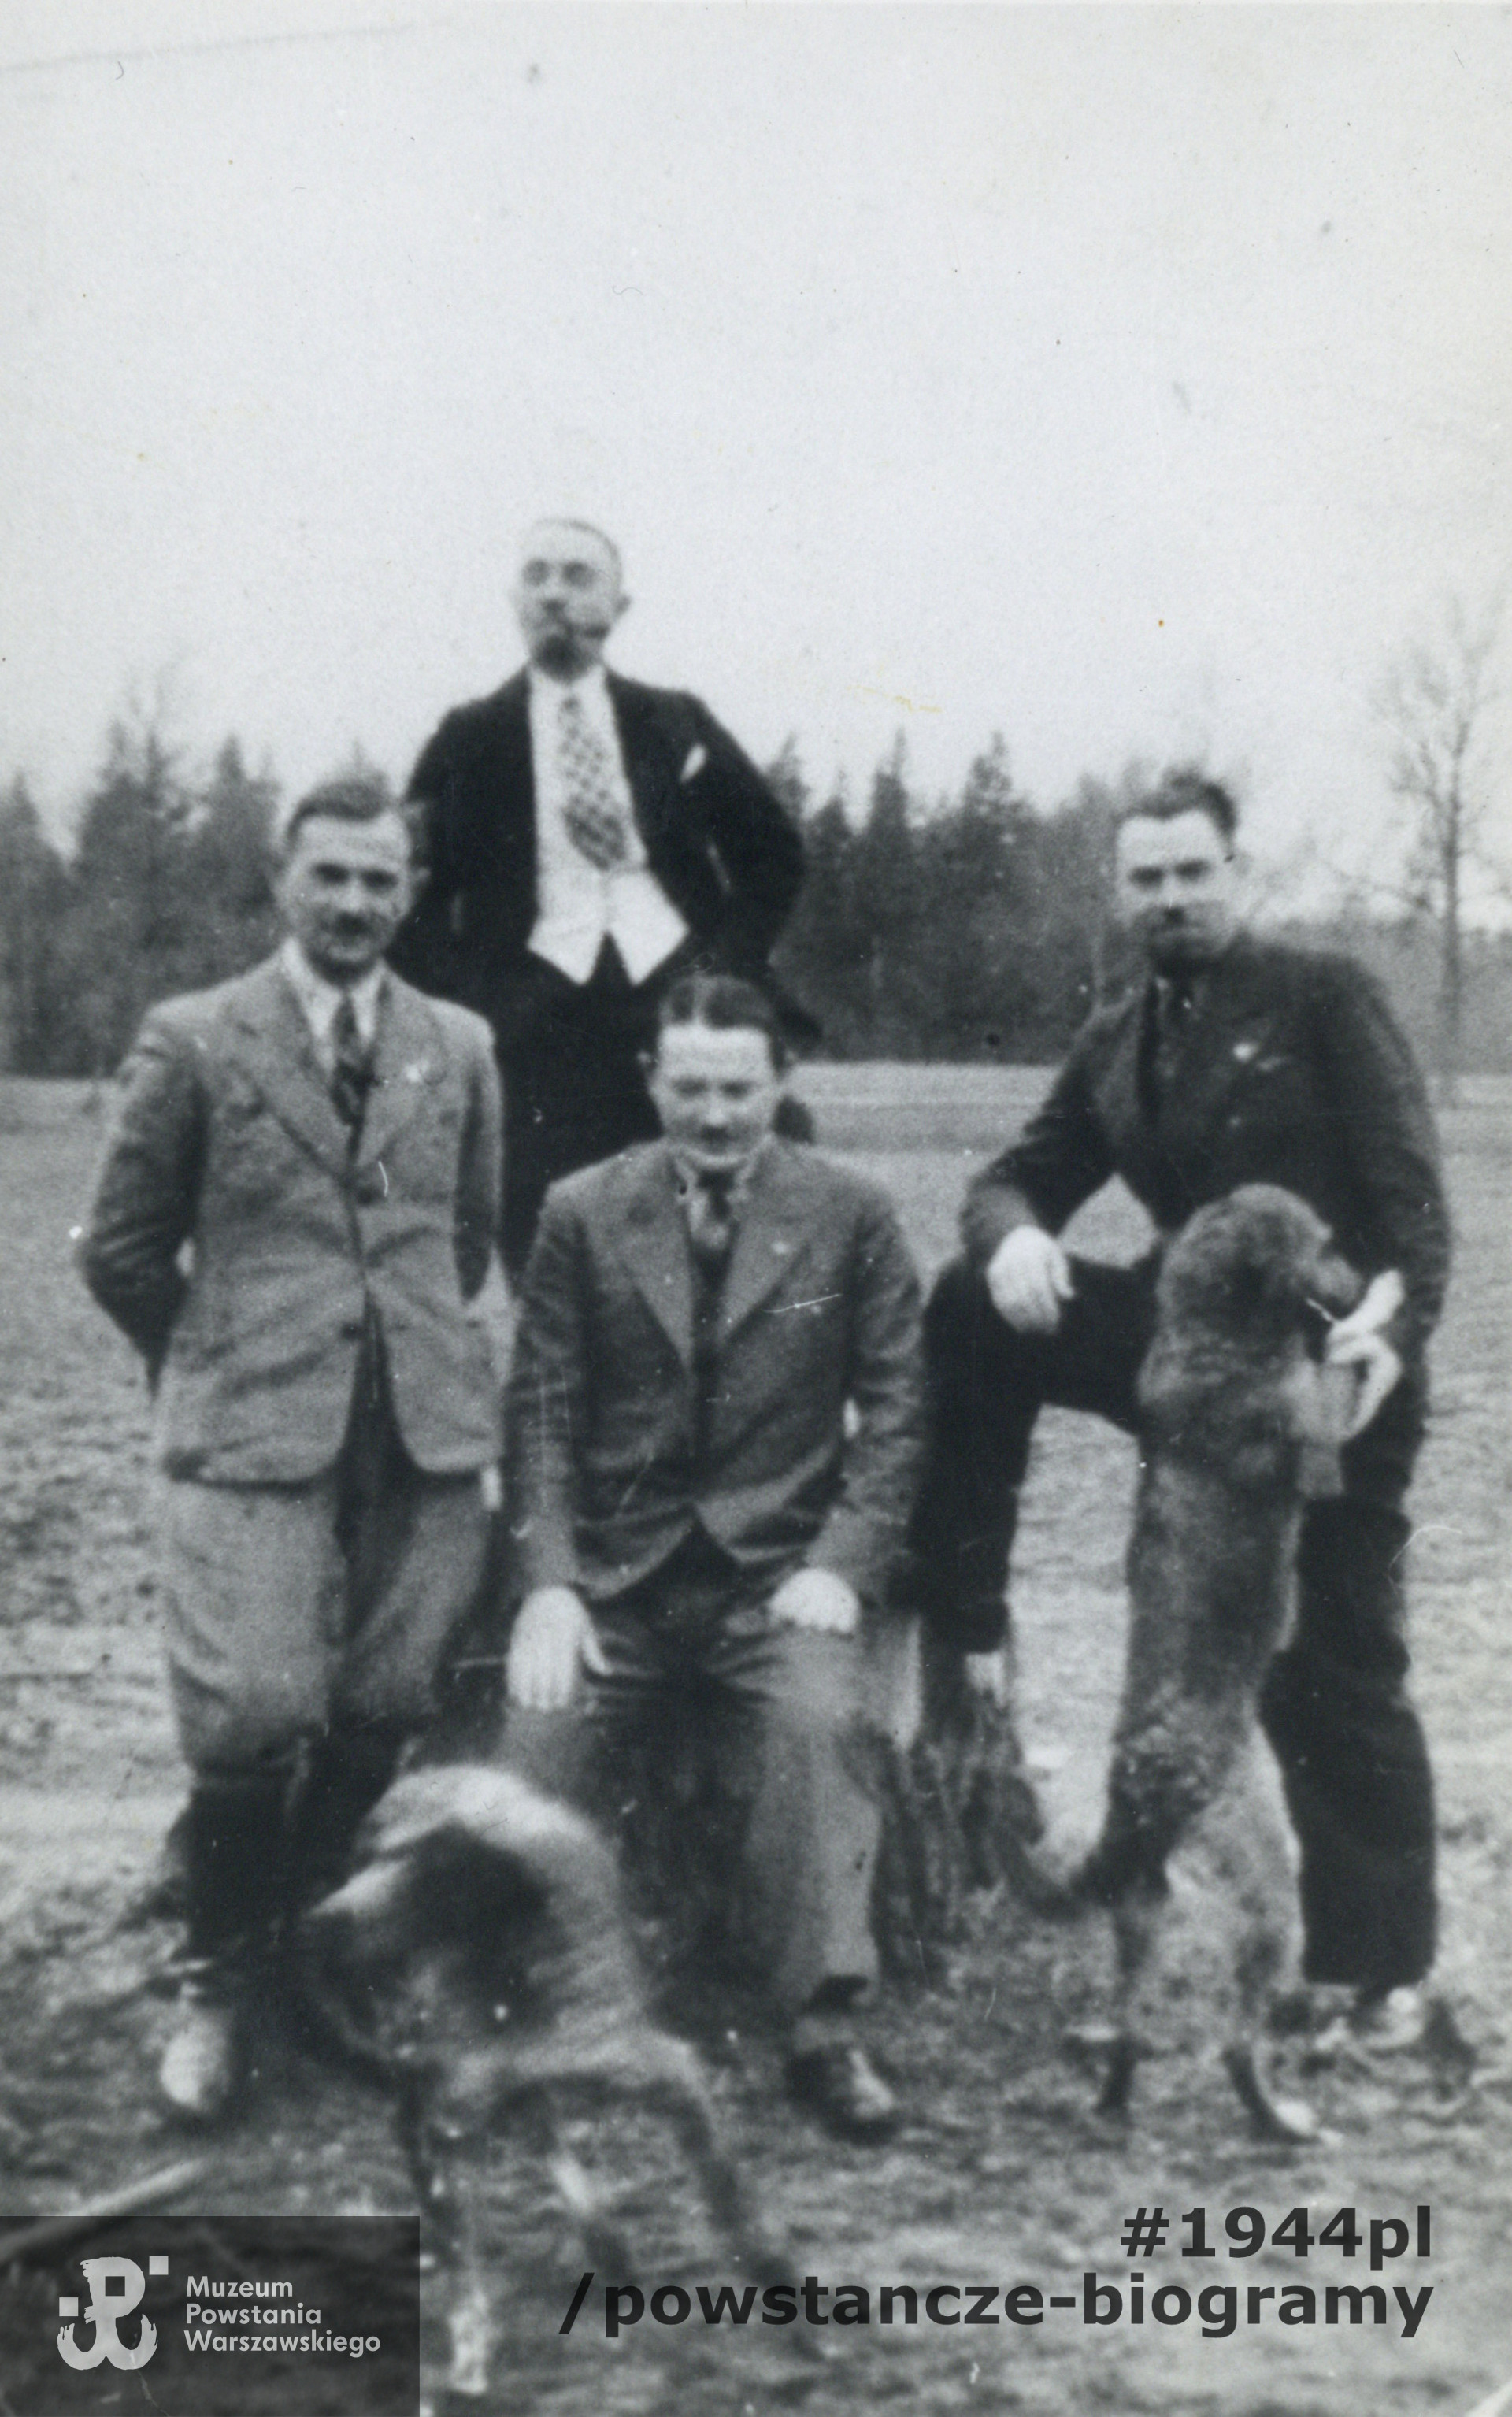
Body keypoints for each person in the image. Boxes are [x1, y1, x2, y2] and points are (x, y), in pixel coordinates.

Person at [911, 769, 1451, 2040]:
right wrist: (1012, 1239)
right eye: (1145, 877)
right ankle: (966, 1601)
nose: (1169, 897)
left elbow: (1416, 1209)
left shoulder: (1324, 997)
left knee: (1326, 1651)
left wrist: (1387, 1326)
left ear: (1237, 871)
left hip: (1324, 1369)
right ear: (1121, 890)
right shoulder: (1118, 1032)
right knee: (969, 1299)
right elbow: (1012, 1175)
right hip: (1178, 1355)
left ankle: (1377, 1969)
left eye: (1192, 871)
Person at [79, 778, 502, 2123]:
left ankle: (318, 1962)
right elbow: (126, 1250)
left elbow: (462, 1235)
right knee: (254, 1714)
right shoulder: (197, 1036)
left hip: (420, 1434)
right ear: (282, 878)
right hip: (249, 1429)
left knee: (382, 1701)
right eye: (332, 874)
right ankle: (218, 1985)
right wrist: (217, 1360)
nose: (357, 903)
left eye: (382, 879)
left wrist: (399, 1355)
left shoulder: (459, 1044)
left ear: (411, 892)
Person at [499, 974, 923, 2139]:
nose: (718, 1115)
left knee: (820, 1728)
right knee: (532, 1746)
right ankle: (519, 2020)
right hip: (617, 1588)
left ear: (781, 1083)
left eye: (741, 1088)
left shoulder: (854, 1213)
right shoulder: (581, 1212)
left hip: (774, 1582)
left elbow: (897, 1415)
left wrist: (840, 1560)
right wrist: (548, 1588)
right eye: (691, 1088)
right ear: (651, 1083)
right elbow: (537, 1412)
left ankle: (827, 2029)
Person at [388, 517, 811, 1278]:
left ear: (621, 605)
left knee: (739, 1222)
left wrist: (725, 967)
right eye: (538, 576)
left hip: (681, 1001)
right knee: (550, 1246)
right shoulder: (470, 736)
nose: (555, 594)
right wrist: (468, 1000)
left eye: (579, 576)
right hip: (532, 1021)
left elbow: (774, 855)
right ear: (514, 600)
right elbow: (402, 888)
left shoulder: (675, 719)